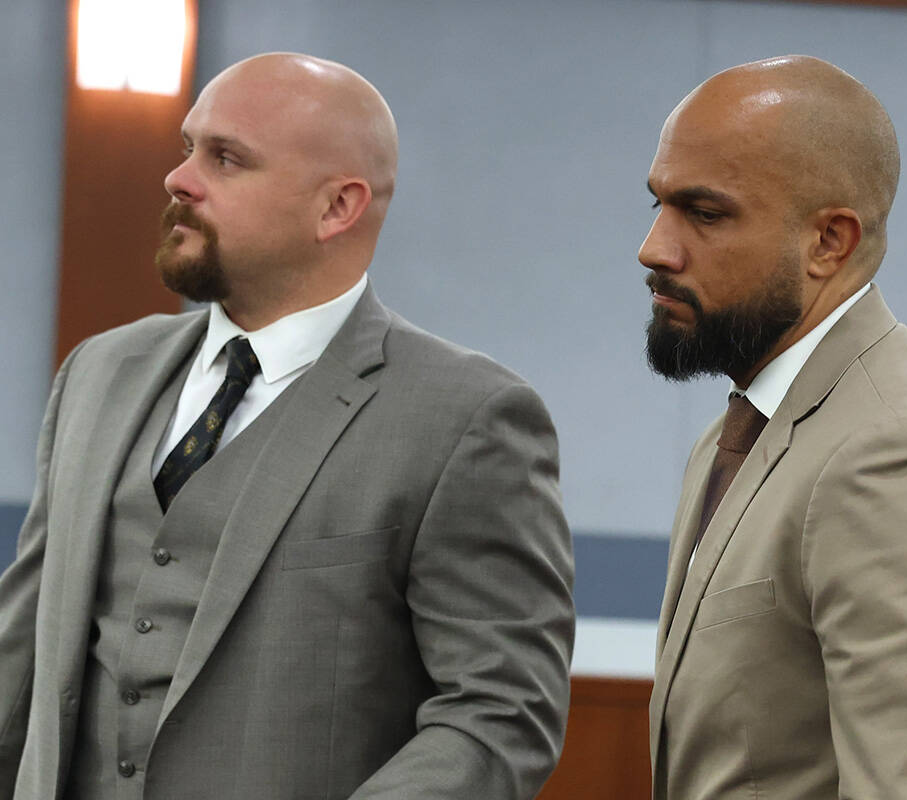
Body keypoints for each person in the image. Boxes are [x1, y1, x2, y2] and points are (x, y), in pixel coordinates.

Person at [0, 53, 574, 799]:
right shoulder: (98, 372)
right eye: (188, 148)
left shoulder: (468, 418)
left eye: (227, 159)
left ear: (337, 207)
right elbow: (25, 643)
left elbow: (500, 712)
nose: (180, 180)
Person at [640, 55, 907, 799]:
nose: (655, 249)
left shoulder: (904, 456)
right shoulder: (741, 432)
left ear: (830, 241)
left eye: (704, 213)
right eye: (657, 204)